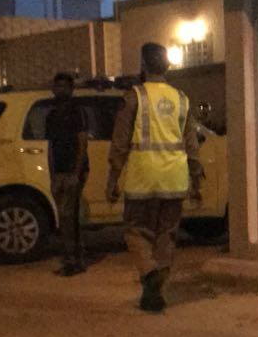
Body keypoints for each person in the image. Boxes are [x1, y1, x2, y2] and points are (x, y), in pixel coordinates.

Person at [106, 42, 203, 312]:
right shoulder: (182, 99)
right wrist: (196, 181)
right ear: (167, 66)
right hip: (174, 179)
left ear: (143, 65)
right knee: (166, 234)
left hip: (142, 179)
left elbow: (119, 143)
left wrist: (112, 180)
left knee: (135, 230)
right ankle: (155, 290)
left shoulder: (133, 97)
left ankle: (149, 273)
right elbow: (192, 146)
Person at [45, 72, 89, 275]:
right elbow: (50, 147)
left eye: (64, 86)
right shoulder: (52, 115)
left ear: (71, 89)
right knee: (65, 217)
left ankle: (73, 260)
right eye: (58, 86)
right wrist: (53, 175)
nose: (60, 90)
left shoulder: (77, 112)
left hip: (73, 171)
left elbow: (82, 143)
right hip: (59, 172)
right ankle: (72, 258)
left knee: (68, 215)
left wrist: (76, 173)